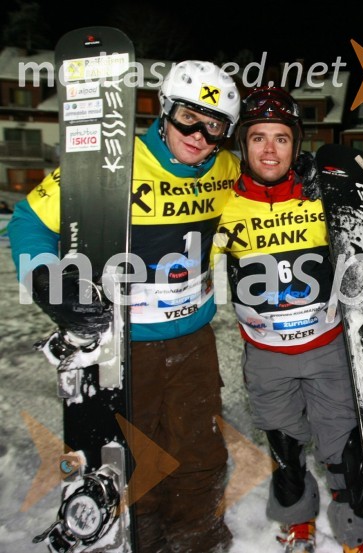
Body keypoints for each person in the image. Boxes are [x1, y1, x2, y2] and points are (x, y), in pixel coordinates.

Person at [9, 60, 241, 552]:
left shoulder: (226, 170)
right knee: (134, 457)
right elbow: (29, 219)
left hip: (194, 341)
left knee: (200, 453)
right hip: (126, 347)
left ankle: (199, 542)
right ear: (165, 111)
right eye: (187, 117)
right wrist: (51, 285)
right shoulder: (113, 163)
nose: (198, 135)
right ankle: (146, 542)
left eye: (214, 125)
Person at [213, 86, 363, 553]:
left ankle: (357, 528)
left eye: (281, 138)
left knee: (344, 451)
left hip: (327, 349)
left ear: (296, 144)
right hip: (266, 356)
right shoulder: (224, 203)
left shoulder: (320, 196)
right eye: (259, 137)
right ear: (243, 143)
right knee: (286, 453)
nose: (269, 149)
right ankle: (297, 518)